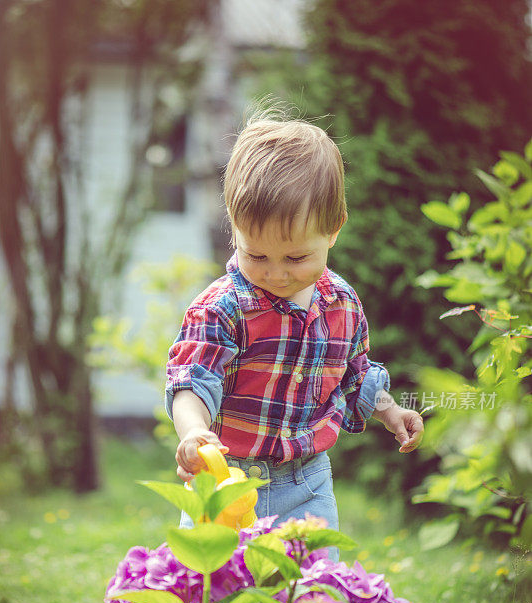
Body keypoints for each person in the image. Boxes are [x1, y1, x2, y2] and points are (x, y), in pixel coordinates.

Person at [165, 114, 424, 549]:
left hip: (308, 482)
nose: (277, 273)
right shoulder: (224, 307)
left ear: (334, 229)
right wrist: (193, 431)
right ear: (235, 227)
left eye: (297, 257)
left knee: (313, 593)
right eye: (258, 254)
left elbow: (354, 373)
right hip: (226, 480)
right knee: (215, 592)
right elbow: (193, 378)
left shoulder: (342, 303)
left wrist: (388, 411)